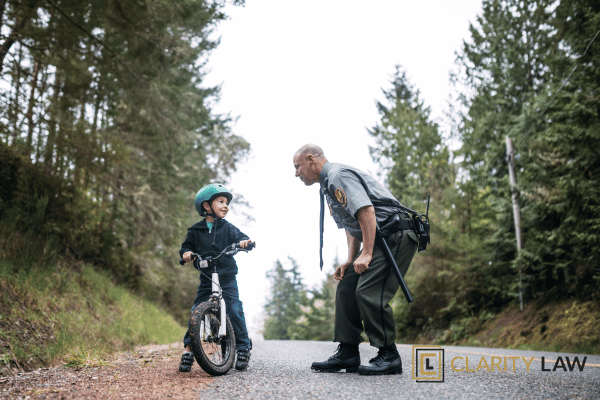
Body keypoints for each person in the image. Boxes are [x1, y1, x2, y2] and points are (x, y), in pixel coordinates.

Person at [293, 144, 419, 375]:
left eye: (297, 166)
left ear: (311, 159)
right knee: (347, 286)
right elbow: (352, 225)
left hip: (396, 235)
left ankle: (389, 355)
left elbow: (366, 212)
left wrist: (368, 253)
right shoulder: (328, 185)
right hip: (379, 237)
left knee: (368, 291)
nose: (296, 173)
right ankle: (348, 352)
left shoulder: (338, 175)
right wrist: (351, 259)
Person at [178, 183, 253, 372]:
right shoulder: (195, 231)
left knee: (234, 309)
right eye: (221, 201)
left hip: (226, 278)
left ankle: (243, 348)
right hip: (207, 278)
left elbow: (241, 237)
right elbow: (186, 247)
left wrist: (245, 242)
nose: (226, 205)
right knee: (197, 311)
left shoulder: (227, 228)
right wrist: (187, 253)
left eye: (227, 202)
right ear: (206, 206)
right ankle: (188, 351)